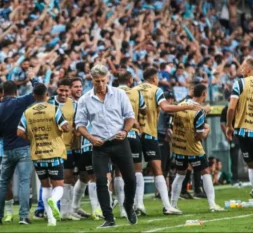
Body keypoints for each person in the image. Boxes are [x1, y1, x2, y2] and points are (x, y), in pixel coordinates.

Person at [75, 64, 137, 228]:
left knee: (130, 179)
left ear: (108, 79)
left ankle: (128, 206)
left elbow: (130, 117)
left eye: (103, 81)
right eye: (97, 82)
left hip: (120, 141)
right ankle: (108, 218)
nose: (100, 84)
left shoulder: (119, 94)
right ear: (92, 80)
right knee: (101, 180)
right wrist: (90, 138)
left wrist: (125, 131)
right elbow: (79, 125)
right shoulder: (85, 100)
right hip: (99, 145)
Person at [132, 68, 199, 215]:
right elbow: (166, 108)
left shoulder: (134, 89)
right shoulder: (156, 90)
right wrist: (187, 105)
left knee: (137, 171)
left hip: (135, 133)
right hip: (149, 133)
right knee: (157, 169)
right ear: (155, 79)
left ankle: (139, 205)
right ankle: (167, 206)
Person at [17, 83, 69, 227]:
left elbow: (19, 132)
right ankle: (54, 200)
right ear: (47, 94)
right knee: (58, 186)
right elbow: (65, 127)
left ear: (34, 95)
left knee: (45, 186)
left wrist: (32, 138)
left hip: (37, 153)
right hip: (54, 152)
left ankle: (51, 220)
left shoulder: (27, 112)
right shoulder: (54, 109)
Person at [170, 84, 224, 212]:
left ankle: (172, 205)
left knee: (180, 175)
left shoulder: (179, 105)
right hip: (193, 147)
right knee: (206, 172)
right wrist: (207, 130)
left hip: (179, 145)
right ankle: (212, 205)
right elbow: (200, 135)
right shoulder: (199, 112)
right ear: (204, 94)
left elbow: (176, 123)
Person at [0, 80, 35, 225]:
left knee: (3, 183)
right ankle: (23, 217)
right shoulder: (20, 102)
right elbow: (37, 92)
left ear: (3, 92)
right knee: (23, 182)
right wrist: (32, 79)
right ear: (16, 92)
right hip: (23, 147)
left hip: (7, 150)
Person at [226, 57, 253, 211]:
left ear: (248, 69)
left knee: (251, 165)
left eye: (242, 66)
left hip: (242, 130)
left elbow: (231, 108)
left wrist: (229, 126)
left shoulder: (239, 83)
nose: (240, 69)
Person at [48, 78, 80, 220]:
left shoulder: (74, 104)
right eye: (61, 90)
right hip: (52, 148)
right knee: (52, 180)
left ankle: (66, 211)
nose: (64, 93)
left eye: (66, 90)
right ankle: (51, 211)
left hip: (68, 148)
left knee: (68, 178)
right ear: (57, 89)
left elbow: (77, 125)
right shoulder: (49, 103)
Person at [116, 71, 147, 216]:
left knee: (118, 172)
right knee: (137, 170)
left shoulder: (112, 93)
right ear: (129, 80)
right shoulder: (136, 93)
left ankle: (123, 209)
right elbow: (144, 110)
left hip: (117, 135)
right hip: (132, 133)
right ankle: (139, 203)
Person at [0, 84, 15, 222]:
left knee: (25, 182)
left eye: (2, 96)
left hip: (21, 147)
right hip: (4, 149)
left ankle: (26, 211)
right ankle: (9, 212)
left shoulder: (17, 107)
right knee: (7, 182)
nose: (0, 99)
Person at [69, 77, 92, 218]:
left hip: (81, 146)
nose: (79, 89)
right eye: (75, 86)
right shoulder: (66, 104)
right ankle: (65, 209)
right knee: (67, 177)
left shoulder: (81, 103)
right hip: (68, 146)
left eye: (80, 86)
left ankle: (75, 207)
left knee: (84, 176)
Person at [157, 91, 176, 198]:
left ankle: (161, 190)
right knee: (163, 166)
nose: (172, 102)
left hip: (158, 136)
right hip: (162, 137)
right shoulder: (165, 110)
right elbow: (169, 125)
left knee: (162, 166)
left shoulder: (159, 108)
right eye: (171, 99)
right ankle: (162, 191)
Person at [220, 95, 240, 185]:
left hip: (242, 133)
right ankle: (234, 178)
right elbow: (222, 124)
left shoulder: (240, 107)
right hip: (234, 135)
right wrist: (228, 134)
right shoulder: (225, 109)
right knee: (234, 157)